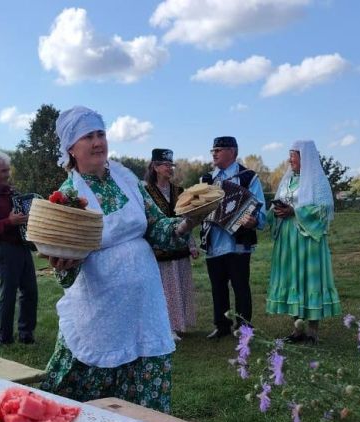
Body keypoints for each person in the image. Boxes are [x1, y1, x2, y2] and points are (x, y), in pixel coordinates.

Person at [40, 106, 200, 413]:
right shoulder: (67, 196)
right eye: (88, 136)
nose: (98, 142)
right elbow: (65, 266)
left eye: (101, 133)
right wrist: (64, 266)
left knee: (146, 404)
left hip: (145, 307)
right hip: (103, 313)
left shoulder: (129, 182)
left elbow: (156, 227)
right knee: (86, 403)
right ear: (71, 148)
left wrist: (186, 223)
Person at [266, 140, 341, 343]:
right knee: (293, 280)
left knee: (309, 280)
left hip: (309, 239)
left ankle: (313, 332)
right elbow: (276, 208)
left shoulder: (317, 181)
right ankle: (297, 330)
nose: (290, 160)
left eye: (294, 155)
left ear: (305, 158)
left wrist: (294, 211)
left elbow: (324, 209)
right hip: (288, 239)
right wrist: (274, 212)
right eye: (290, 155)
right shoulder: (288, 181)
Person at [200, 136, 267, 339]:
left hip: (238, 243)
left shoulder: (248, 177)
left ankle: (244, 327)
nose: (214, 153)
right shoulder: (207, 180)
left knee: (241, 287)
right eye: (213, 150)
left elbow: (260, 211)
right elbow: (198, 208)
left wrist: (253, 221)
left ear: (232, 151)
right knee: (217, 288)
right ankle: (222, 326)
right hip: (214, 242)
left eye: (219, 150)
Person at [0, 150, 38, 345]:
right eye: (3, 170)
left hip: (22, 245)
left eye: (8, 169)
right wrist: (9, 222)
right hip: (5, 248)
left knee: (30, 291)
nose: (7, 174)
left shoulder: (10, 192)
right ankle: (6, 338)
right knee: (9, 293)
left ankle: (26, 334)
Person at [144, 148, 197, 341]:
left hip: (180, 247)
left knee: (180, 285)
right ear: (155, 167)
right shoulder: (146, 192)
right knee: (165, 289)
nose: (169, 168)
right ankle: (166, 327)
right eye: (166, 165)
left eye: (171, 165)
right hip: (159, 249)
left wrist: (191, 244)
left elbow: (188, 218)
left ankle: (179, 323)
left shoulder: (179, 192)